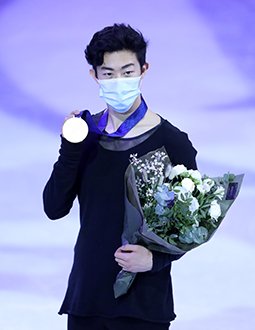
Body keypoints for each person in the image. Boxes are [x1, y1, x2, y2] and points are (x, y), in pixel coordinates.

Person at [43, 23, 197, 330]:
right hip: (86, 299)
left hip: (143, 305)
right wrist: (71, 146)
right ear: (94, 76)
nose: (118, 81)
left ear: (143, 69)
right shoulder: (85, 134)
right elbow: (54, 207)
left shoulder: (172, 142)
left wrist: (155, 260)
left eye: (127, 72)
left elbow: (193, 222)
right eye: (108, 73)